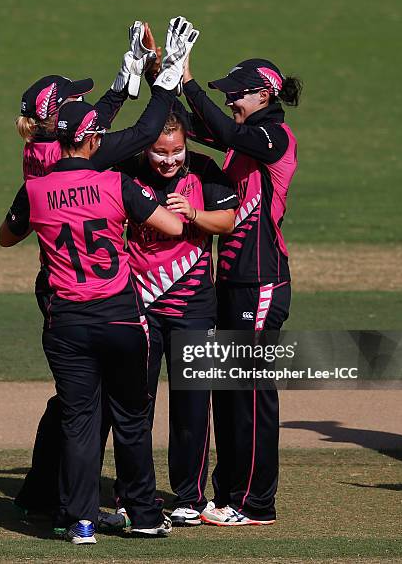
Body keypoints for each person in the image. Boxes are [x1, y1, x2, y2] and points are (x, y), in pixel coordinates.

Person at [12, 20, 191, 528]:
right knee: (96, 410)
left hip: (61, 286)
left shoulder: (48, 149)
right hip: (86, 295)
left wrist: (118, 87)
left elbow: (91, 131)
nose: (83, 110)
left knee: (72, 407)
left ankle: (48, 494)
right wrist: (165, 83)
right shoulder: (65, 160)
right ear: (61, 120)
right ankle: (117, 507)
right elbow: (135, 135)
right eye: (74, 102)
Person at [165, 53, 302, 525]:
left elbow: (223, 130)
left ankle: (254, 502)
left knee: (250, 391)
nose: (229, 98)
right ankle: (226, 493)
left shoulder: (272, 135)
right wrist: (160, 80)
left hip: (262, 281)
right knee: (227, 391)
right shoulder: (245, 138)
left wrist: (192, 84)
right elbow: (192, 129)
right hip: (233, 281)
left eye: (236, 93)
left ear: (264, 95)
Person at [112, 111, 238, 526]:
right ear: (146, 145)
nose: (168, 160)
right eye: (159, 152)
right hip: (140, 303)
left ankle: (189, 497)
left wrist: (193, 214)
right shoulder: (127, 169)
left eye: (176, 151)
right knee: (136, 406)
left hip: (195, 306)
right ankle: (131, 495)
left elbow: (228, 220)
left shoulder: (203, 168)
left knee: (193, 407)